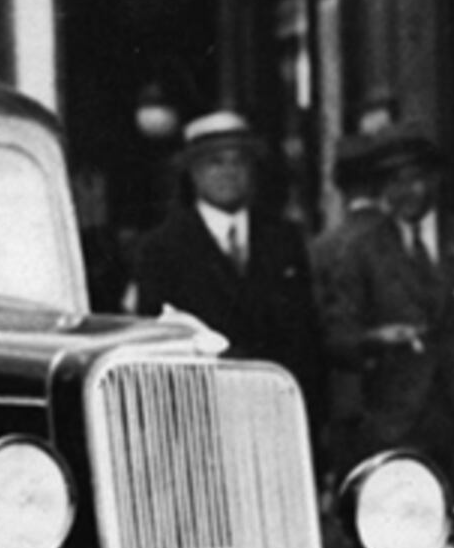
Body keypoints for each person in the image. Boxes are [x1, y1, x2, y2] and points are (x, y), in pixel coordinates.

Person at [312, 124, 454, 507]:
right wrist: (376, 338)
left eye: (414, 180)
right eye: (391, 182)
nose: (403, 192)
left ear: (435, 180)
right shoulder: (362, 250)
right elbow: (337, 336)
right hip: (397, 424)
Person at [126, 109, 326, 391]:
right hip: (202, 406)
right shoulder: (162, 248)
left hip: (278, 402)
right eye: (215, 163)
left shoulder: (283, 238)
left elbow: (307, 335)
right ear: (194, 172)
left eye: (239, 162)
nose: (228, 173)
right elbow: (157, 345)